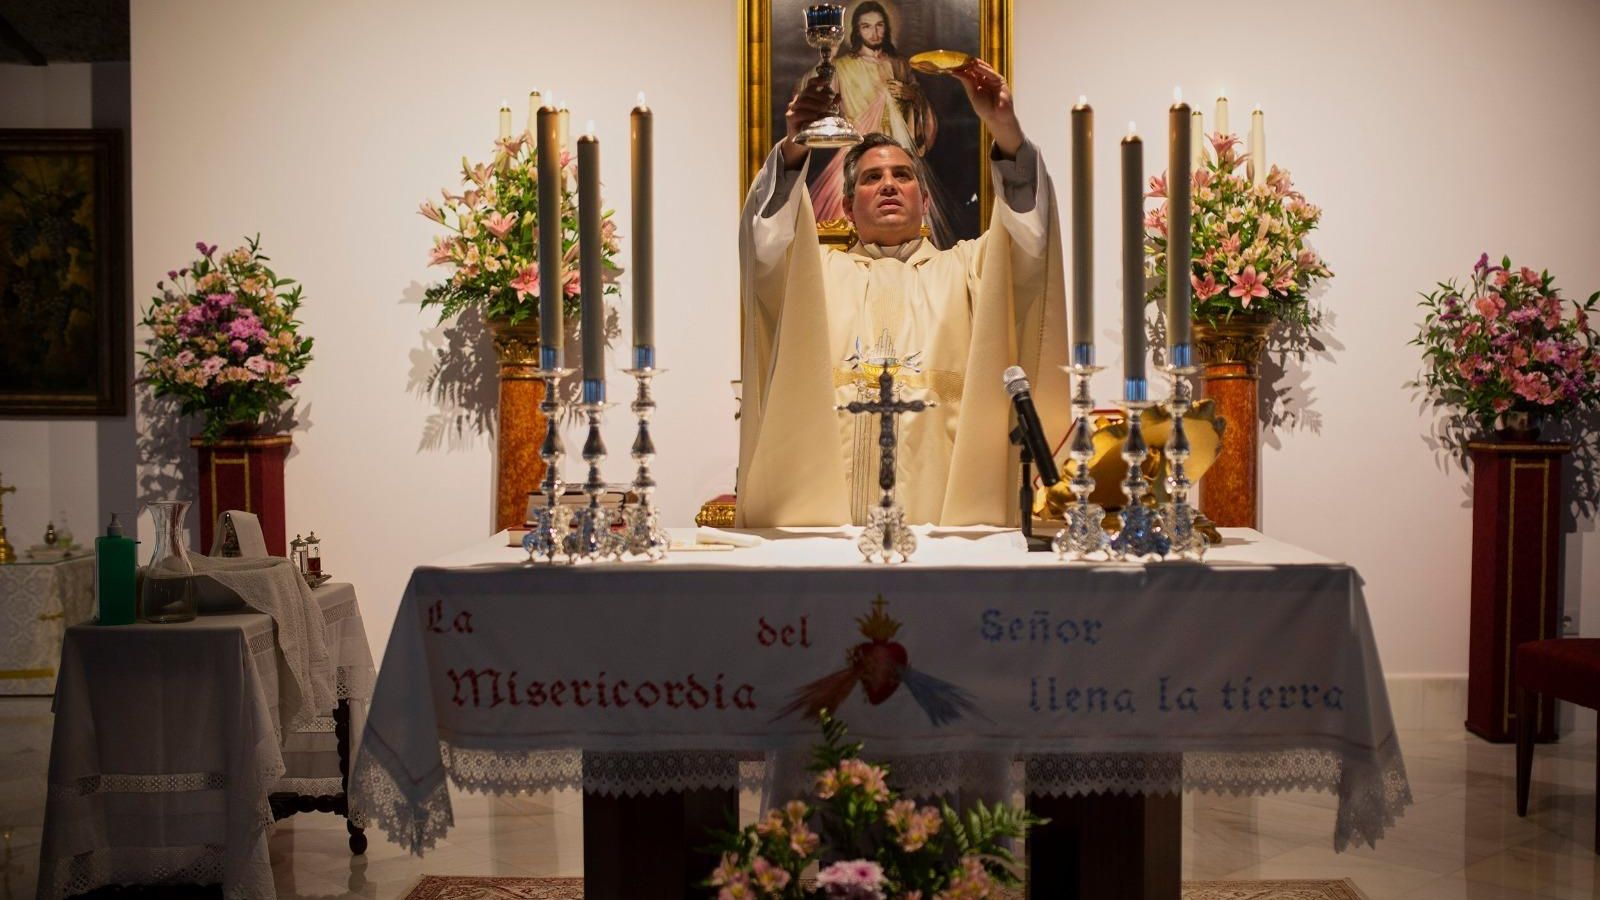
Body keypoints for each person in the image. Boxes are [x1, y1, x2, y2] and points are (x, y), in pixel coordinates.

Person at [737, 58, 1068, 527]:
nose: (888, 184)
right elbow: (765, 246)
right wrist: (795, 146)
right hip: (831, 525)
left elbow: (1032, 243)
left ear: (925, 200)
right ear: (847, 206)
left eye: (902, 175)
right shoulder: (816, 276)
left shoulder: (970, 269)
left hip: (944, 518)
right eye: (872, 178)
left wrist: (1006, 132)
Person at [805, 1, 937, 224]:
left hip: (898, 151)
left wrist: (912, 96)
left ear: (887, 28)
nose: (874, 33)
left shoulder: (899, 65)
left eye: (879, 25)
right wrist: (828, 56)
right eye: (866, 26)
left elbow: (920, 110)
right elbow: (813, 93)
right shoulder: (843, 66)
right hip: (856, 154)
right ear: (856, 30)